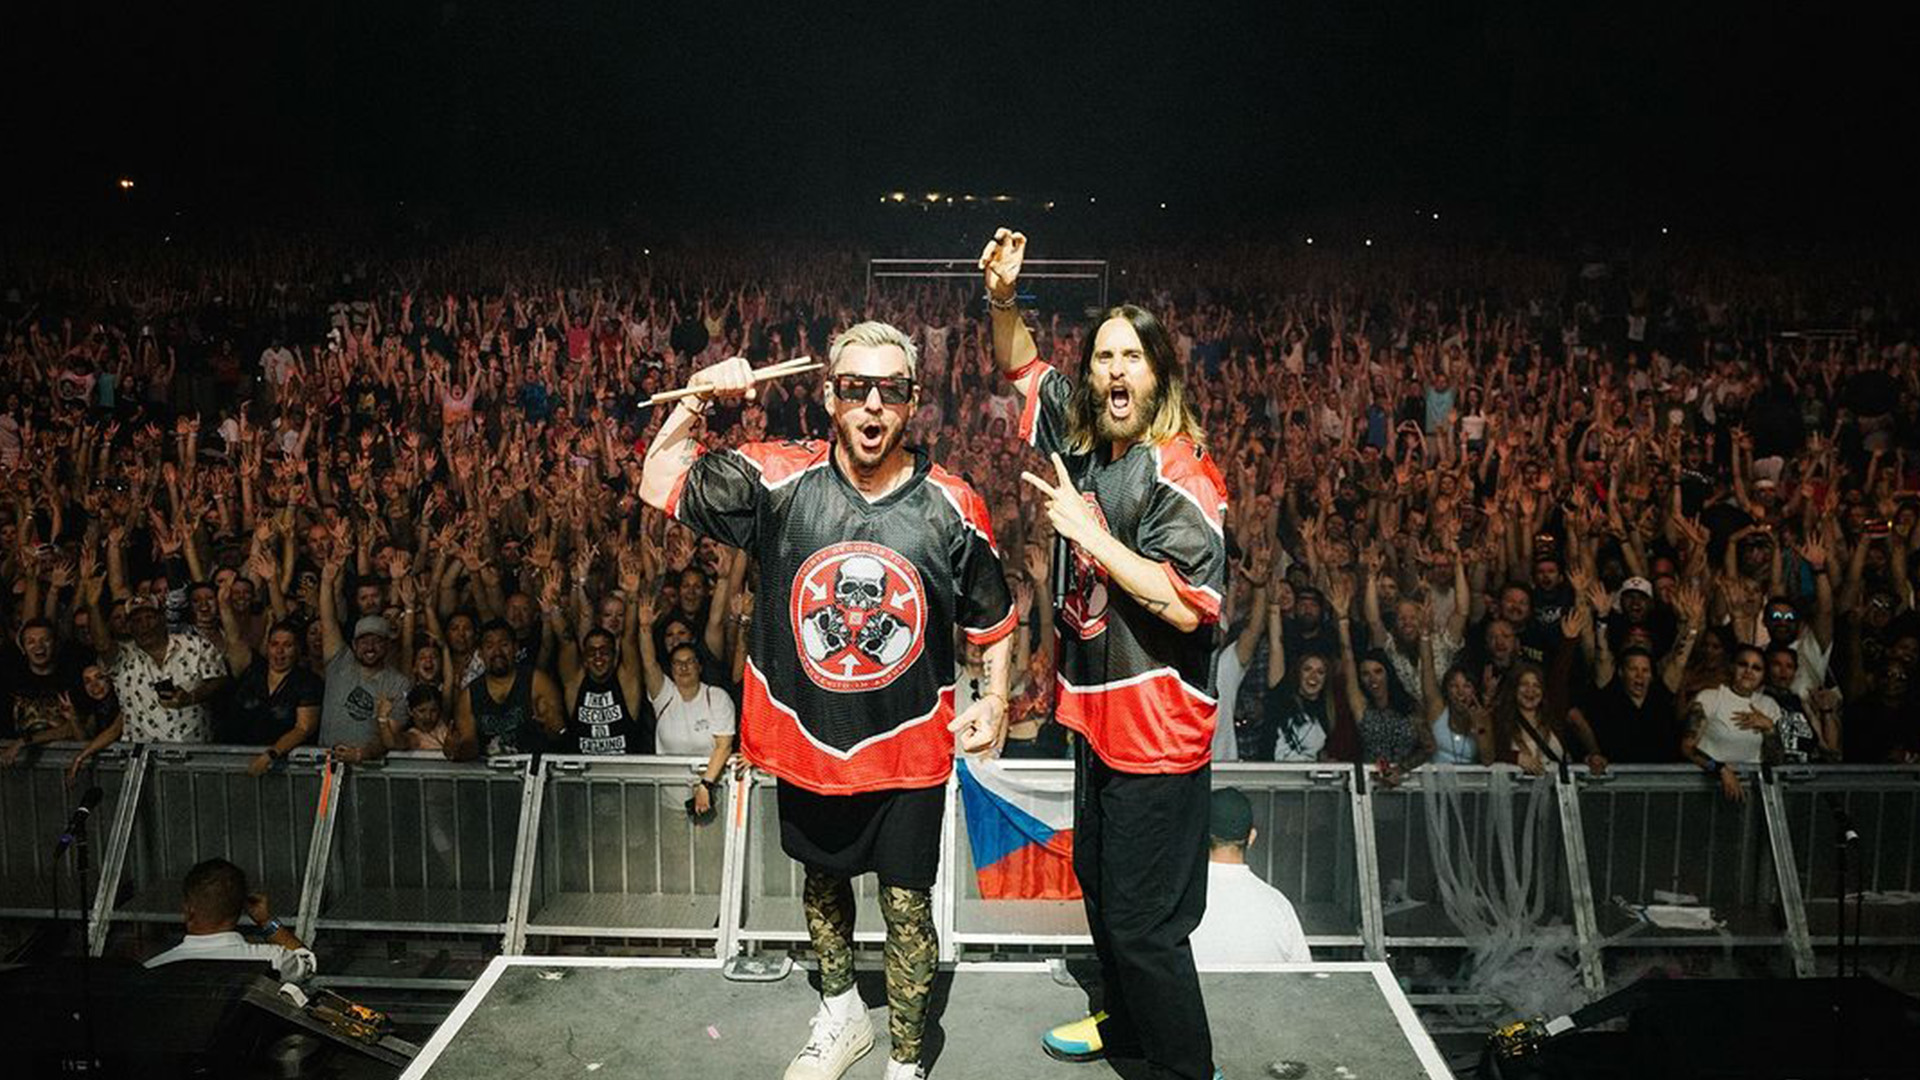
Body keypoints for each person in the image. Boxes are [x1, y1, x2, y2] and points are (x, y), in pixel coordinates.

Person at [641, 320, 1014, 1080]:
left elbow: (992, 616)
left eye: (890, 391)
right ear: (828, 396)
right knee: (822, 883)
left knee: (908, 906)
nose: (872, 405)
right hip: (811, 739)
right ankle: (841, 1014)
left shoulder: (953, 503)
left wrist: (998, 694)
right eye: (855, 389)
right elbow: (657, 479)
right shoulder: (777, 479)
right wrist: (699, 402)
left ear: (913, 403)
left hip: (909, 745)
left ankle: (907, 1061)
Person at [984, 229, 1227, 1080]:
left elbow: (1186, 604)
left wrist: (1090, 533)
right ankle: (1125, 1025)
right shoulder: (1083, 442)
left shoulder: (1181, 476)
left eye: (1131, 357)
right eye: (1102, 359)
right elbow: (1019, 364)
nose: (1114, 370)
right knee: (1098, 878)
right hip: (1096, 720)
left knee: (1145, 922)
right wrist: (1004, 299)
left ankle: (1186, 1067)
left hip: (1157, 734)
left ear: (1157, 372)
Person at [1046, 788, 1311, 1065]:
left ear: (1197, 833)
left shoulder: (1168, 896)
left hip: (1181, 1033)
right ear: (1252, 837)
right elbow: (1300, 980)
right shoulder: (1279, 905)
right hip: (1260, 1033)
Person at [144, 858, 316, 984]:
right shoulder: (273, 959)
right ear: (241, 909)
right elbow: (308, 964)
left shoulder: (152, 970)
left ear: (189, 910)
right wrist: (265, 920)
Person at [1682, 643, 1785, 802]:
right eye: (1743, 664)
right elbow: (1687, 747)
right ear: (1732, 667)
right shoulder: (1710, 697)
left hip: (1751, 794)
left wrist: (1769, 728)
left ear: (1764, 675)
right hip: (1707, 789)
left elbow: (1776, 761)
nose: (1749, 671)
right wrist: (1721, 770)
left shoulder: (1769, 705)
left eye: (1756, 668)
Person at [457, 619, 563, 757]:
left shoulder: (538, 682)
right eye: (489, 646)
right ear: (481, 654)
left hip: (533, 772)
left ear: (516, 648)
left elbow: (559, 734)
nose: (497, 652)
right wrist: (457, 750)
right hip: (490, 775)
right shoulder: (469, 696)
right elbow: (469, 744)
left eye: (504, 644)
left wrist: (554, 728)